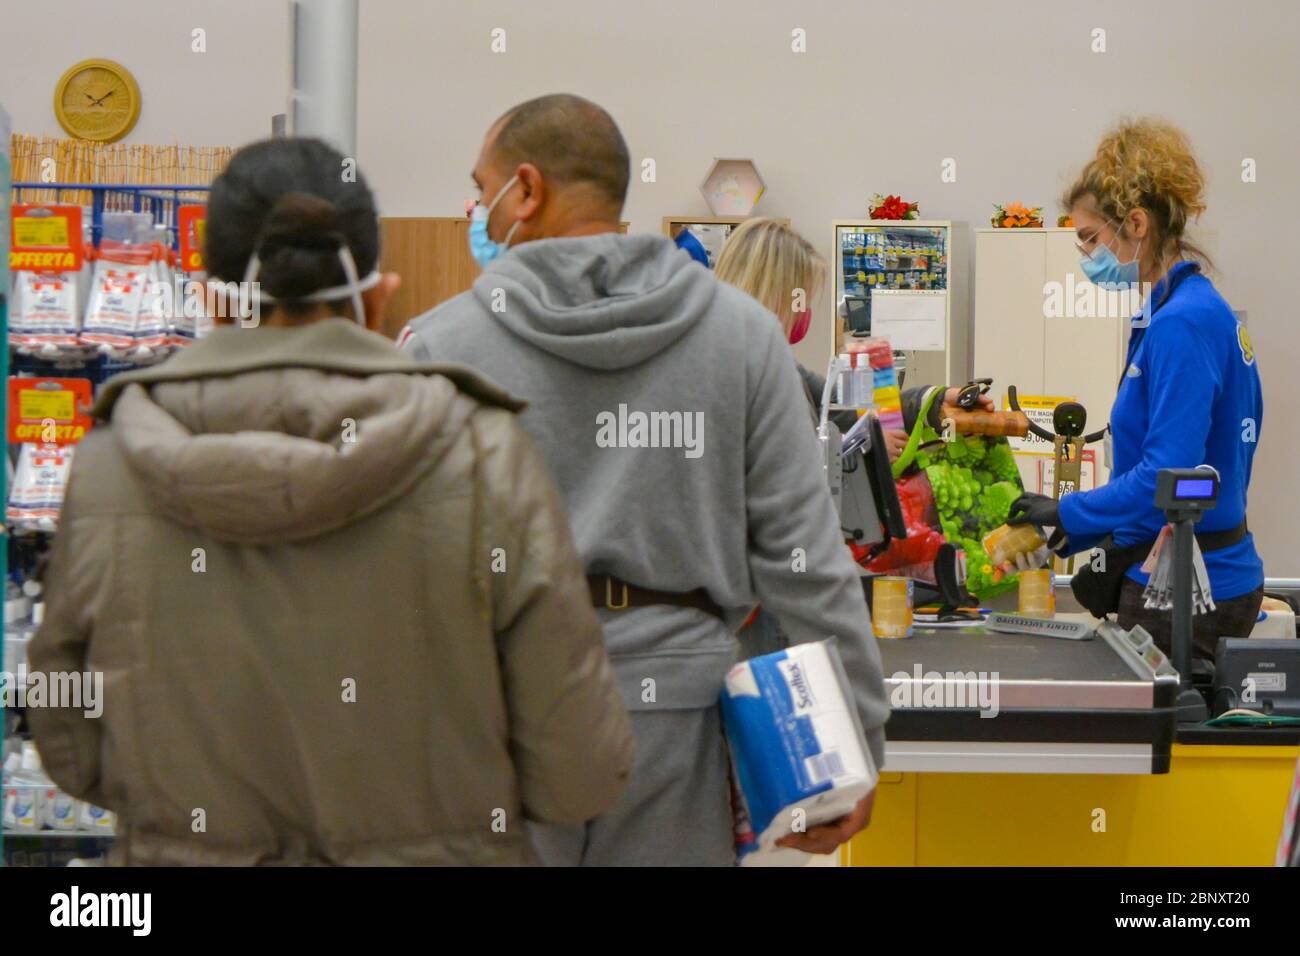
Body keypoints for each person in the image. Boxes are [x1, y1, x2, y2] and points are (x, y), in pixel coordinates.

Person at [27, 137, 634, 866]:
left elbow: (66, 734)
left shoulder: (111, 463)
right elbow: (578, 769)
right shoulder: (481, 451)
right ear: (378, 295)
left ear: (215, 296)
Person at [400, 94, 891, 864]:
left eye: (482, 186)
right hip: (676, 725)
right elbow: (807, 561)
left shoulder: (440, 347)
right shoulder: (741, 339)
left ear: (525, 190)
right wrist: (858, 740)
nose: (478, 210)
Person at [1009, 118, 1264, 661]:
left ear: (1137, 224)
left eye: (1089, 239)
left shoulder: (1182, 326)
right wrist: (1070, 535)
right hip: (1189, 570)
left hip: (1191, 589)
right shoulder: (1183, 312)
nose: (1085, 259)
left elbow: (1168, 478)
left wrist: (1068, 512)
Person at [713, 217, 995, 661]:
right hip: (757, 599)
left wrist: (934, 400)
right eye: (800, 299)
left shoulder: (767, 361)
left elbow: (839, 406)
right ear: (773, 292)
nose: (804, 315)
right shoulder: (734, 371)